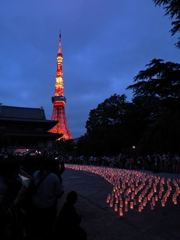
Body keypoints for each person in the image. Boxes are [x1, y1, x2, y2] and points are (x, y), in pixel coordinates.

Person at [25, 156, 64, 240]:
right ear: (50, 166)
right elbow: (59, 192)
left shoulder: (36, 174)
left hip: (35, 206)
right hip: (48, 207)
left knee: (37, 228)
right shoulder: (53, 177)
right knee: (47, 229)